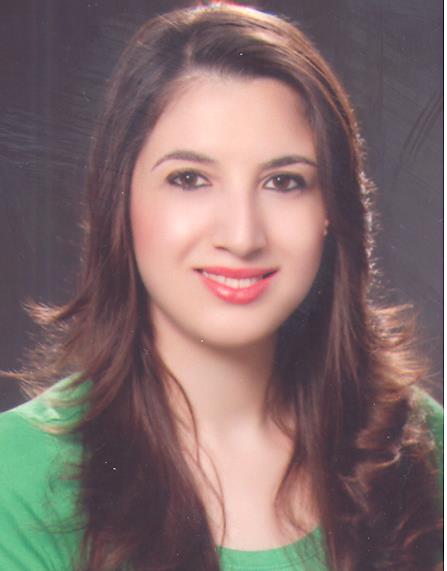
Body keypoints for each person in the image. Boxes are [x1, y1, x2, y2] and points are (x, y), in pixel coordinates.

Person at [0, 2, 443, 570]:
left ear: (333, 211)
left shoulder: (420, 444)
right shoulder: (17, 475)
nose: (241, 235)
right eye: (190, 179)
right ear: (119, 199)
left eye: (284, 182)